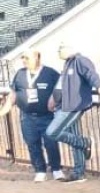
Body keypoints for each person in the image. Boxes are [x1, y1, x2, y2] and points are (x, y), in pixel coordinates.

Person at [46, 43, 100, 182]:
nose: (58, 52)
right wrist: (53, 98)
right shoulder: (67, 64)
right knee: (73, 137)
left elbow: (90, 73)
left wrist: (99, 86)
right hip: (63, 105)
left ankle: (85, 142)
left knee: (52, 132)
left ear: (69, 48)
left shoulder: (80, 60)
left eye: (60, 49)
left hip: (73, 106)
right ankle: (79, 172)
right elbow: (61, 85)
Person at [11, 50, 64, 181]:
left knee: (51, 142)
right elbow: (13, 94)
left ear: (37, 58)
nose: (24, 60)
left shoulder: (50, 73)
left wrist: (54, 97)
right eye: (22, 58)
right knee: (32, 144)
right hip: (27, 117)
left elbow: (62, 86)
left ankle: (56, 168)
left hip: (46, 116)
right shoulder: (20, 74)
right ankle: (40, 170)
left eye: (27, 58)